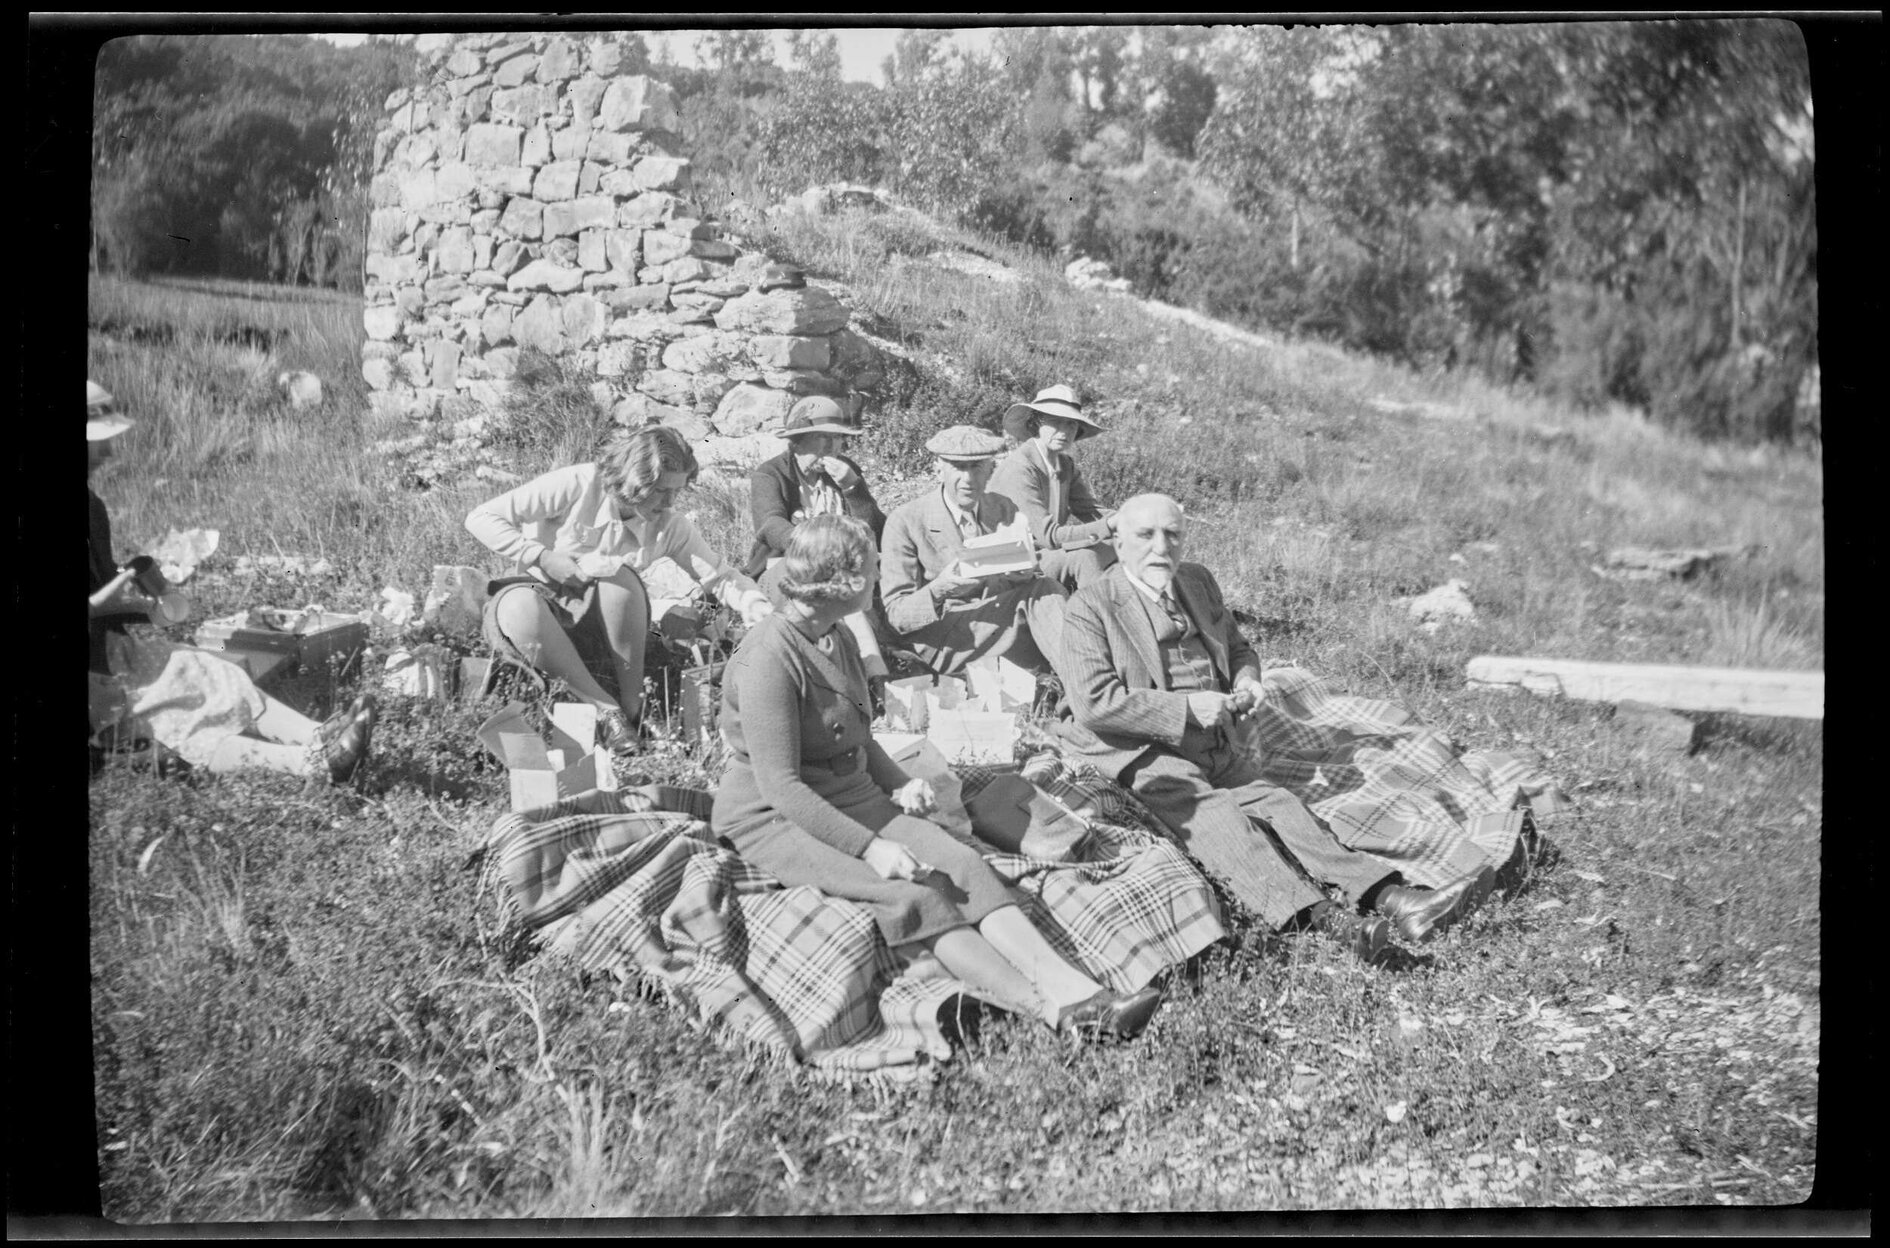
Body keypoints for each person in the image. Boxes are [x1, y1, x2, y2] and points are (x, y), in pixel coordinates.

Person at [712, 514, 1163, 1041]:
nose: (880, 575)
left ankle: (1082, 994)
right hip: (774, 816)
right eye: (874, 568)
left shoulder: (837, 635)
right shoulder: (769, 657)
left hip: (847, 790)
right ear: (847, 582)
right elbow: (782, 787)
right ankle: (1052, 1012)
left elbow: (860, 734)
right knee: (914, 894)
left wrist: (898, 782)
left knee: (962, 864)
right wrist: (870, 848)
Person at [1055, 493, 1496, 963]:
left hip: (1213, 736)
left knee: (1282, 805)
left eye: (1173, 535)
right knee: (1214, 817)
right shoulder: (1091, 607)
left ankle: (1396, 900)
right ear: (1118, 542)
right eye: (1145, 535)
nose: (1161, 548)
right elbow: (1095, 704)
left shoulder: (1197, 581)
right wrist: (1185, 709)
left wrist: (1248, 680)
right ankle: (1332, 921)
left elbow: (1239, 647)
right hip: (1138, 747)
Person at [86, 380, 375, 781]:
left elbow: (98, 604)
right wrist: (107, 601)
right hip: (94, 676)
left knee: (215, 670)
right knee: (179, 714)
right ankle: (313, 766)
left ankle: (319, 736)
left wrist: (141, 607)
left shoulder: (92, 508)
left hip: (109, 651)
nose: (108, 452)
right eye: (97, 441)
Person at [466, 422, 772, 752]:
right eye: (661, 490)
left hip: (600, 632)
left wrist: (758, 606)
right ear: (635, 478)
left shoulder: (669, 526)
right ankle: (607, 712)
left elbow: (720, 577)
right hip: (540, 613)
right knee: (517, 605)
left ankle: (634, 707)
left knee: (619, 580)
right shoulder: (577, 484)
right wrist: (541, 555)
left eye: (676, 492)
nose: (669, 502)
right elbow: (481, 517)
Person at [879, 425, 1071, 678]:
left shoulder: (1002, 508)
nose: (968, 480)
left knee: (1045, 587)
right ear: (938, 469)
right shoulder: (906, 521)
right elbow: (896, 616)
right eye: (958, 467)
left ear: (991, 468)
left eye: (977, 467)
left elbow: (1019, 579)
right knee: (1045, 594)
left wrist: (1024, 572)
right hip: (945, 639)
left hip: (999, 624)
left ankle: (1083, 686)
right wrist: (939, 589)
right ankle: (1088, 689)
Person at [744, 395, 890, 682]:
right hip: (784, 569)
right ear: (797, 442)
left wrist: (853, 488)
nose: (831, 448)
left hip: (842, 573)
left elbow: (872, 531)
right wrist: (818, 548)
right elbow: (770, 526)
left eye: (837, 440)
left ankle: (867, 676)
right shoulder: (771, 474)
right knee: (837, 598)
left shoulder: (845, 472)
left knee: (850, 594)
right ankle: (874, 676)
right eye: (822, 439)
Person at [987, 384, 1118, 591]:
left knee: (1123, 546)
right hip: (1007, 561)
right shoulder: (1020, 468)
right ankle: (1091, 617)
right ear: (1035, 423)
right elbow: (1049, 536)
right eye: (1055, 422)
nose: (1064, 431)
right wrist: (1111, 525)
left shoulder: (1064, 465)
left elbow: (1091, 512)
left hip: (1041, 553)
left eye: (1071, 425)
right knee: (1086, 557)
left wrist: (1135, 519)